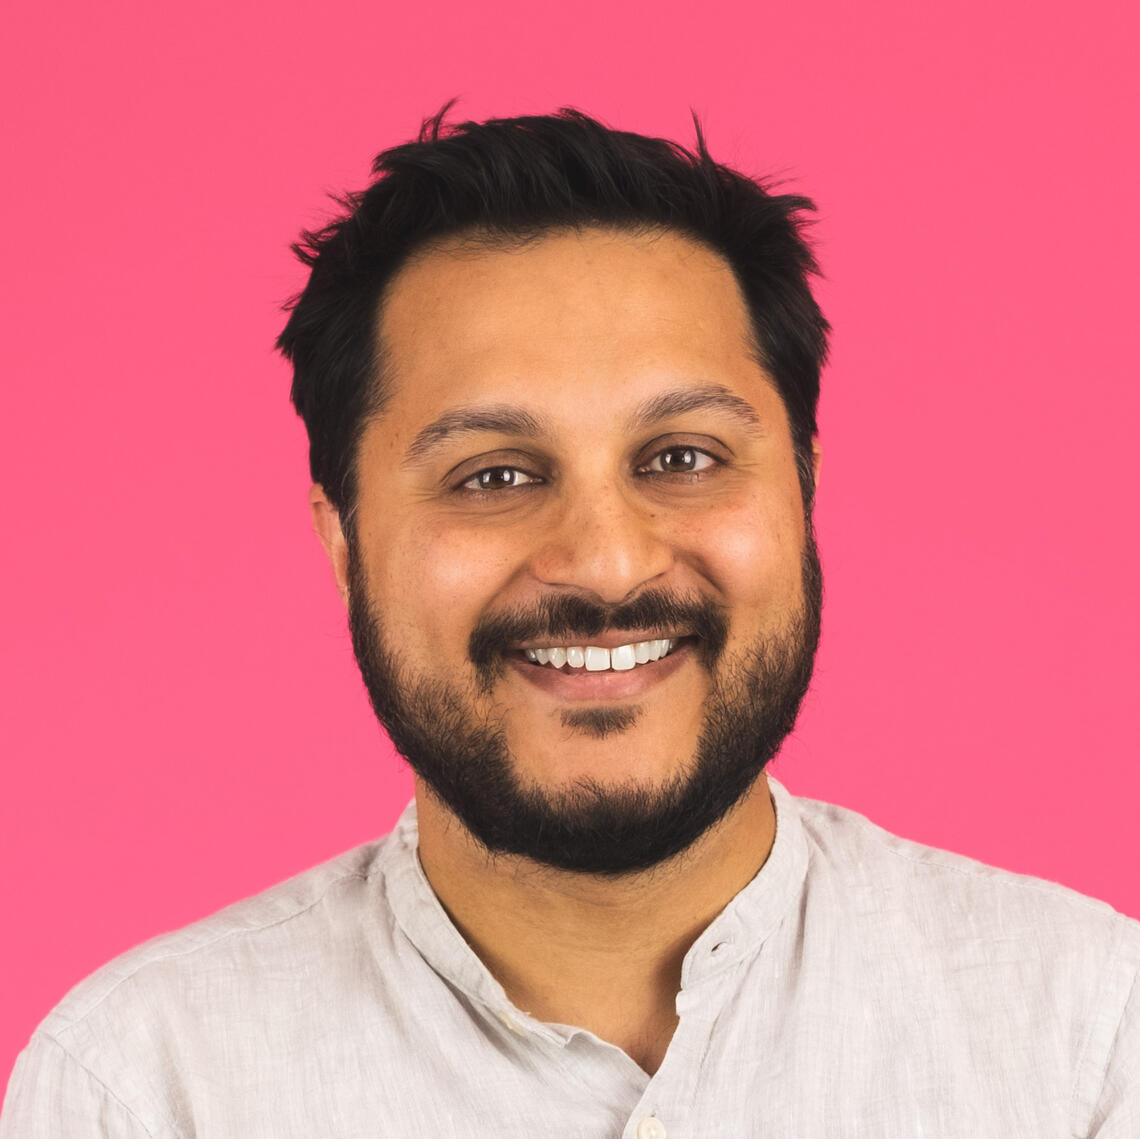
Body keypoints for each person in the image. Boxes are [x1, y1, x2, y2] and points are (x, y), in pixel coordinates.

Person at [2, 107, 1136, 1138]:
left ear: (803, 492)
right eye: (493, 475)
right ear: (345, 543)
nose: (606, 561)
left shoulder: (1091, 1039)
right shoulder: (145, 1090)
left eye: (682, 458)